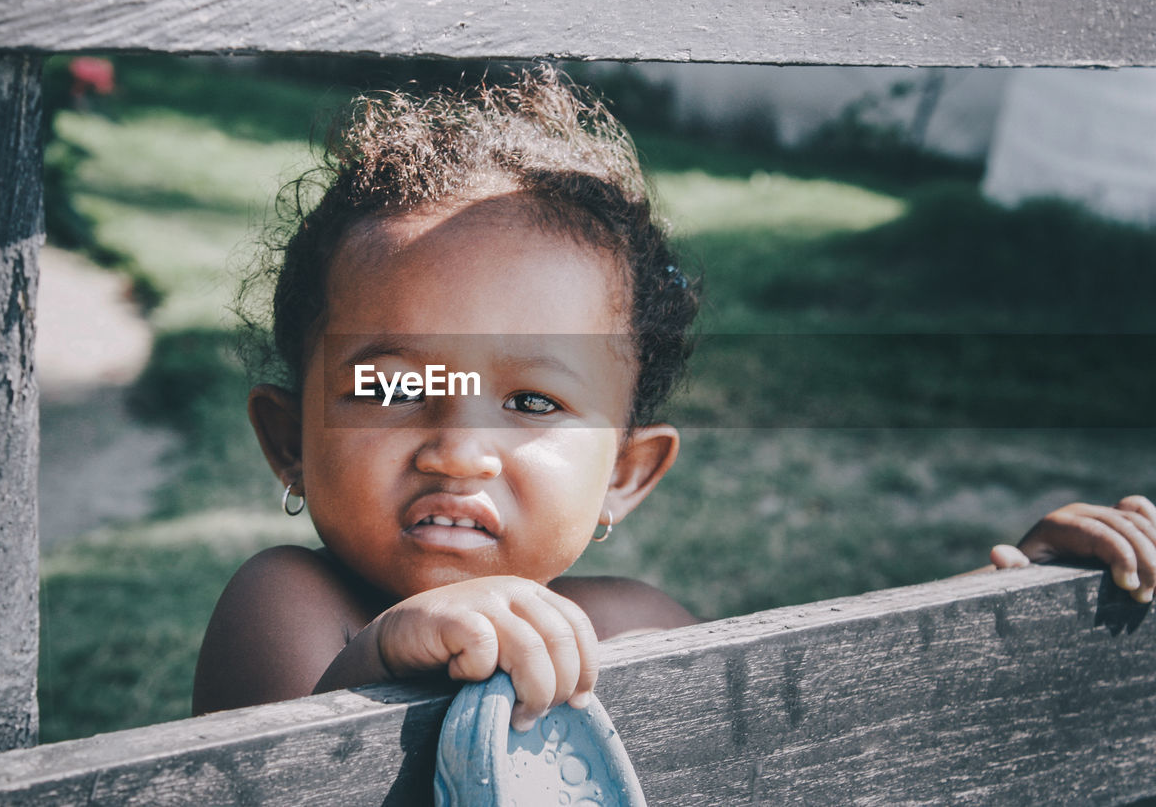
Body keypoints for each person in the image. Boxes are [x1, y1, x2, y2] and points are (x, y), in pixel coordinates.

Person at [191, 68, 1156, 729]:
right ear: (290, 440)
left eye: (531, 402)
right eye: (398, 385)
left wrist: (1013, 608)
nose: (459, 447)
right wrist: (379, 663)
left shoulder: (642, 627)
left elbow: (826, 736)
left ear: (625, 472)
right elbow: (270, 775)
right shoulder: (288, 605)